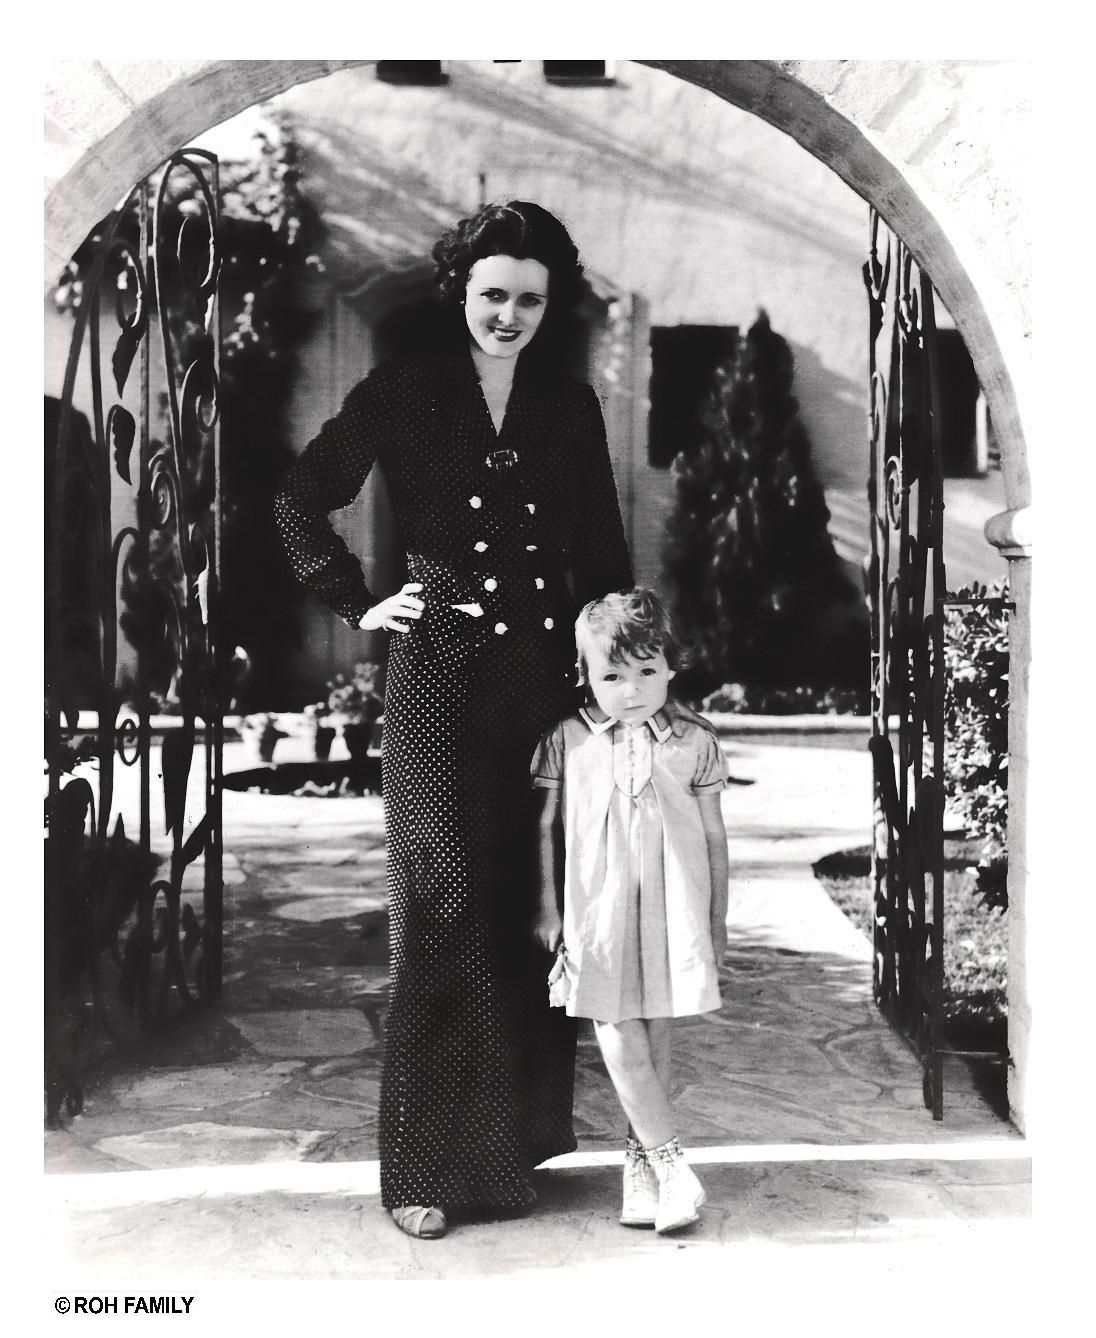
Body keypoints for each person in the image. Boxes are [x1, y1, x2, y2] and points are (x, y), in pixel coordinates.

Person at [274, 201, 634, 1238]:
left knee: (523, 907)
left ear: (549, 306)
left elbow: (602, 554)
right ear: (460, 293)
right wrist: (356, 601)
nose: (508, 315)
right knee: (439, 903)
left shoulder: (568, 404)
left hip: (540, 683)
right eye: (492, 295)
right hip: (436, 679)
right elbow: (301, 495)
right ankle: (424, 1170)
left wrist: (618, 684)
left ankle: (510, 1152)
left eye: (529, 300)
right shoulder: (404, 389)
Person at [531, 588, 730, 1234]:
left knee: (656, 1024)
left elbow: (714, 836)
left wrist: (716, 919)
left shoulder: (694, 742)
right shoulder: (568, 739)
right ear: (585, 676)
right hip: (596, 906)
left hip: (672, 902)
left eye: (647, 670)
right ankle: (674, 1165)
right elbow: (545, 827)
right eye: (612, 676)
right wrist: (548, 907)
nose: (632, 690)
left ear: (671, 666)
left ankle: (640, 1174)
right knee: (613, 1021)